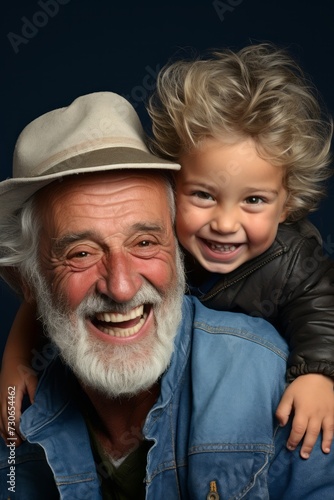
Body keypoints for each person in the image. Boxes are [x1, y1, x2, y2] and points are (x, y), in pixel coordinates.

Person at [0, 92, 333, 499]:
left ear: (173, 246)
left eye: (143, 242)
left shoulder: (271, 377)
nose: (121, 287)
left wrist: (317, 374)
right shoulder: (15, 427)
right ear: (29, 279)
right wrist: (14, 369)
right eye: (81, 253)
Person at [147, 42, 334, 460]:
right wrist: (18, 355)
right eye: (203, 195)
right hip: (167, 410)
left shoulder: (294, 260)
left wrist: (318, 376)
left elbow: (322, 315)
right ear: (170, 187)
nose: (226, 223)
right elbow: (71, 287)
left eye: (254, 201)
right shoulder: (154, 243)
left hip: (247, 420)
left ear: (287, 204)